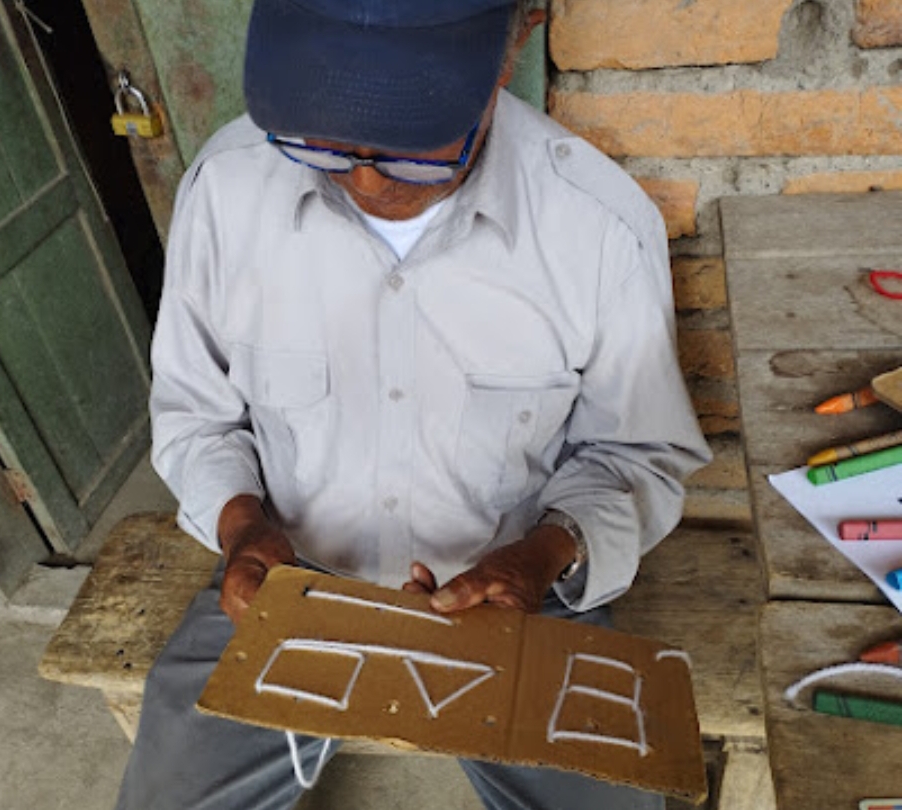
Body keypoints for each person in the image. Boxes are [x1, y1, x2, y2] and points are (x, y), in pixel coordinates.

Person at [116, 1, 712, 808]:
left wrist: (545, 553)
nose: (367, 182)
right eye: (326, 142)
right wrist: (240, 524)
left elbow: (635, 455)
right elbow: (197, 415)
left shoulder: (596, 226)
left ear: (512, 46)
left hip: (513, 592)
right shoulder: (227, 190)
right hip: (288, 580)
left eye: (415, 148)